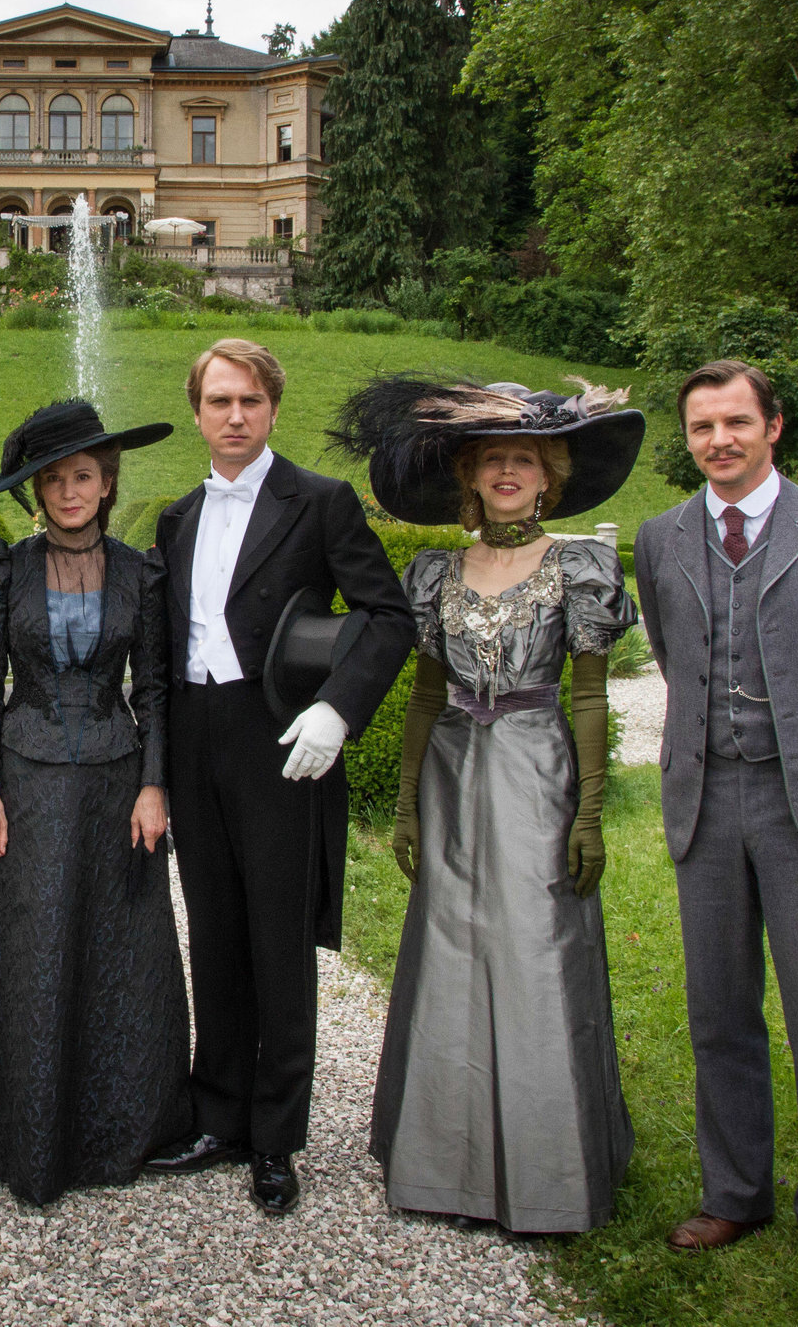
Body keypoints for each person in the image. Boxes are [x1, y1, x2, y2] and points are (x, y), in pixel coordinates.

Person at [331, 374, 645, 1233]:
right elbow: (426, 696)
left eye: (525, 460)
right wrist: (405, 802)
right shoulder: (435, 572)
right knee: (450, 941)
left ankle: (551, 1173)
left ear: (551, 474)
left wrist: (587, 813)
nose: (509, 473)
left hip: (538, 767)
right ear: (469, 477)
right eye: (493, 460)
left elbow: (588, 697)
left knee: (537, 941)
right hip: (452, 766)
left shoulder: (578, 567)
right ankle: (441, 1165)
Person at [632, 360, 798, 1289]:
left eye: (738, 422)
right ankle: (734, 1193)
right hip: (706, 801)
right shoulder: (660, 537)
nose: (721, 441)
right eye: (703, 427)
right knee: (719, 1011)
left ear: (773, 427)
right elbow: (671, 651)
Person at [144, 340, 414, 1216]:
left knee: (278, 939)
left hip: (280, 737)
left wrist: (338, 708)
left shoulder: (322, 503)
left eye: (249, 401)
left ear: (271, 408)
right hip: (195, 737)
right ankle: (219, 1114)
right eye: (218, 400)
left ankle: (276, 1135)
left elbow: (387, 614)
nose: (233, 415)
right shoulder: (177, 517)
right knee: (215, 931)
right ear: (196, 411)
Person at [0, 401, 191, 1206]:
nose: (70, 492)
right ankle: (17, 1135)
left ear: (108, 484)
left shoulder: (141, 573)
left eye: (84, 476)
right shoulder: (6, 568)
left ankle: (114, 1127)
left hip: (115, 783)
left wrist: (154, 785)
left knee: (113, 954)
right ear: (37, 492)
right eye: (55, 480)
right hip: (31, 782)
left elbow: (151, 687)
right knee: (32, 950)